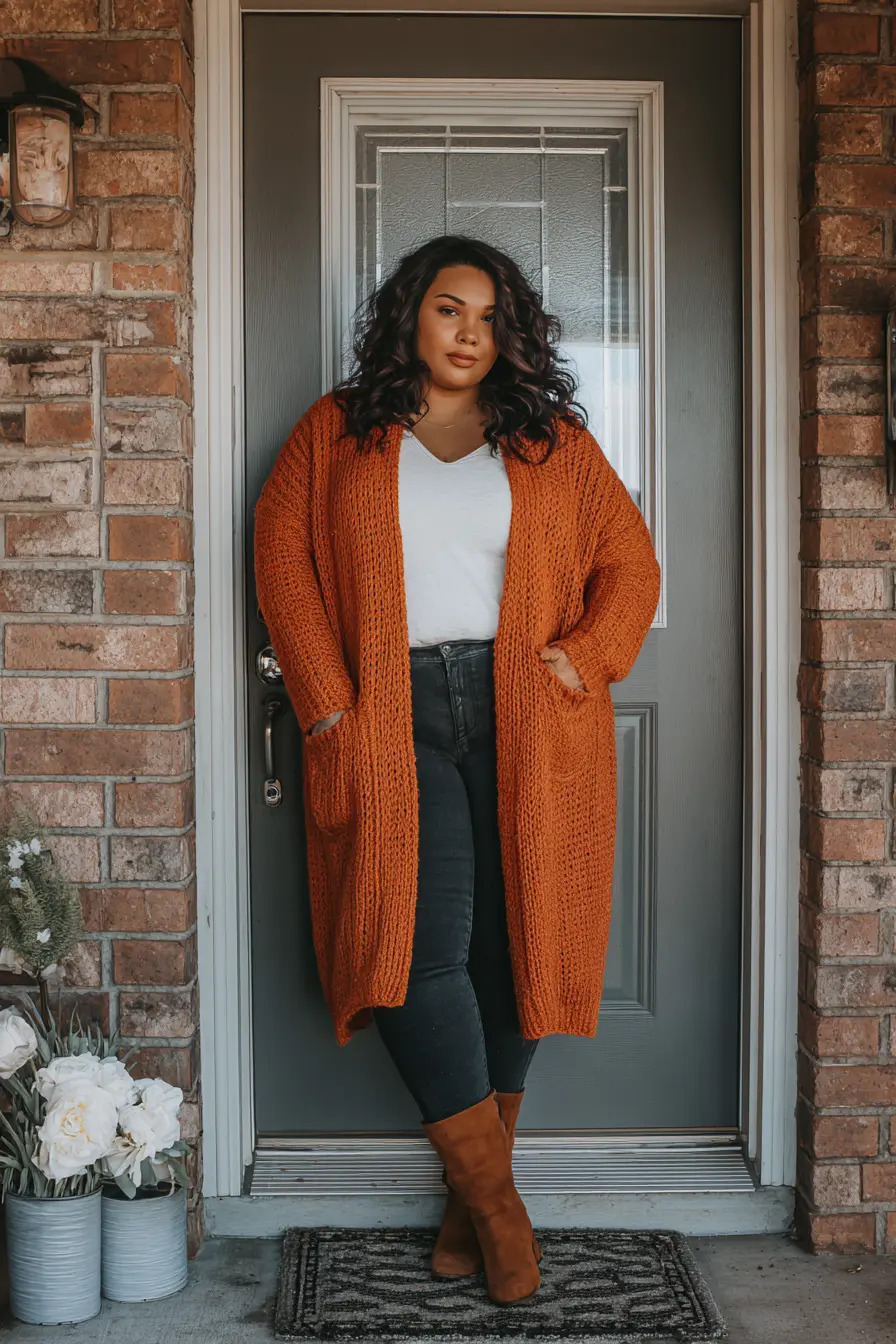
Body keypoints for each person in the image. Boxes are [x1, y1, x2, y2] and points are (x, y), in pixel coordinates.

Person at [253, 235, 660, 1306]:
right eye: (447, 308)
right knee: (410, 947)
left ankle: (464, 1205)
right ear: (410, 318)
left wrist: (583, 655)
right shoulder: (335, 434)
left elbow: (630, 560)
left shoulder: (549, 442)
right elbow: (279, 552)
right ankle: (497, 1210)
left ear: (510, 331)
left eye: (488, 314)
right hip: (389, 715)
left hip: (523, 709)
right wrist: (328, 700)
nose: (468, 331)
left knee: (515, 939)